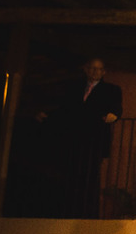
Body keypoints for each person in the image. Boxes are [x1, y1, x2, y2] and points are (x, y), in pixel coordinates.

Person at [45, 57, 122, 217]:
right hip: (74, 138)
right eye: (92, 68)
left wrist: (113, 115)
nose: (95, 72)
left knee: (90, 175)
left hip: (94, 140)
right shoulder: (74, 88)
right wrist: (47, 115)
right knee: (71, 173)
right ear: (86, 70)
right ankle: (68, 209)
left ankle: (88, 211)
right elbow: (64, 108)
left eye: (98, 69)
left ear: (104, 72)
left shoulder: (111, 89)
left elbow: (116, 108)